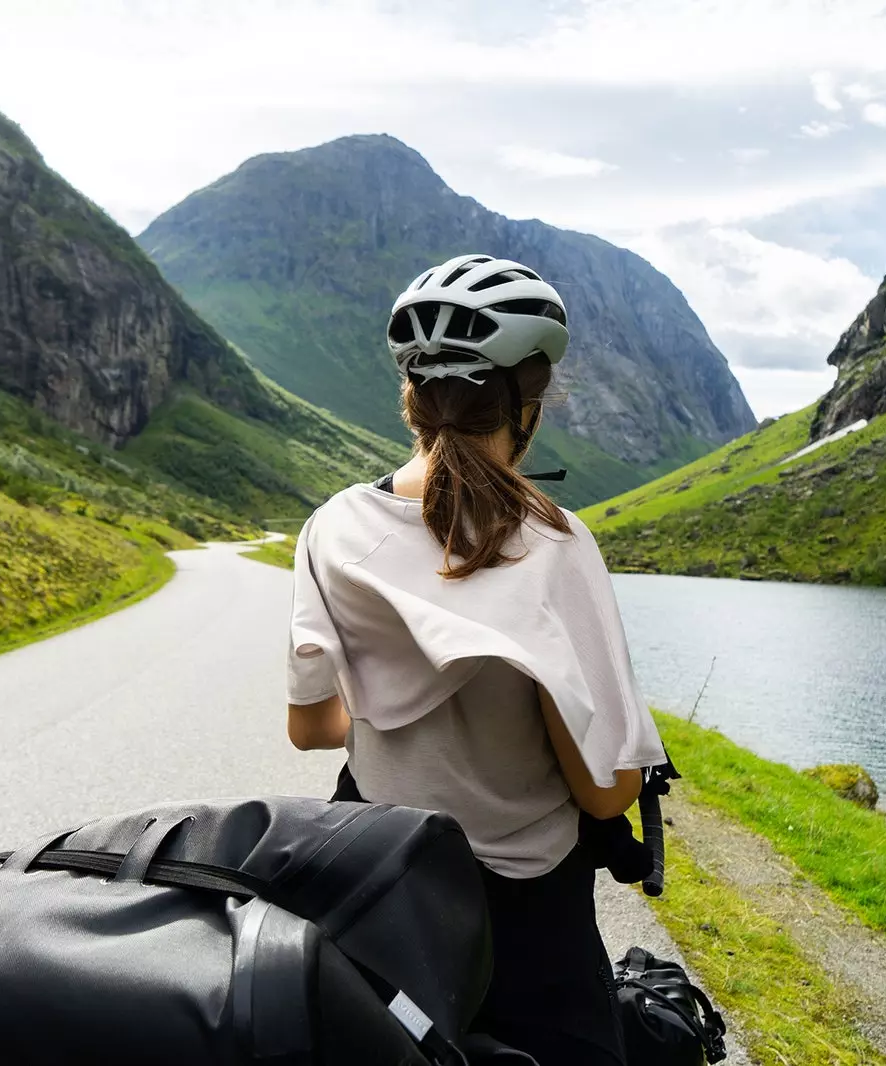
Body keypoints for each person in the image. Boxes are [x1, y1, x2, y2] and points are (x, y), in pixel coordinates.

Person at [282, 254, 671, 1065]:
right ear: (526, 404)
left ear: (410, 398)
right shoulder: (556, 544)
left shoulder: (332, 526)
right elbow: (604, 795)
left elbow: (313, 729)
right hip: (525, 911)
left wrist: (395, 701)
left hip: (376, 878)